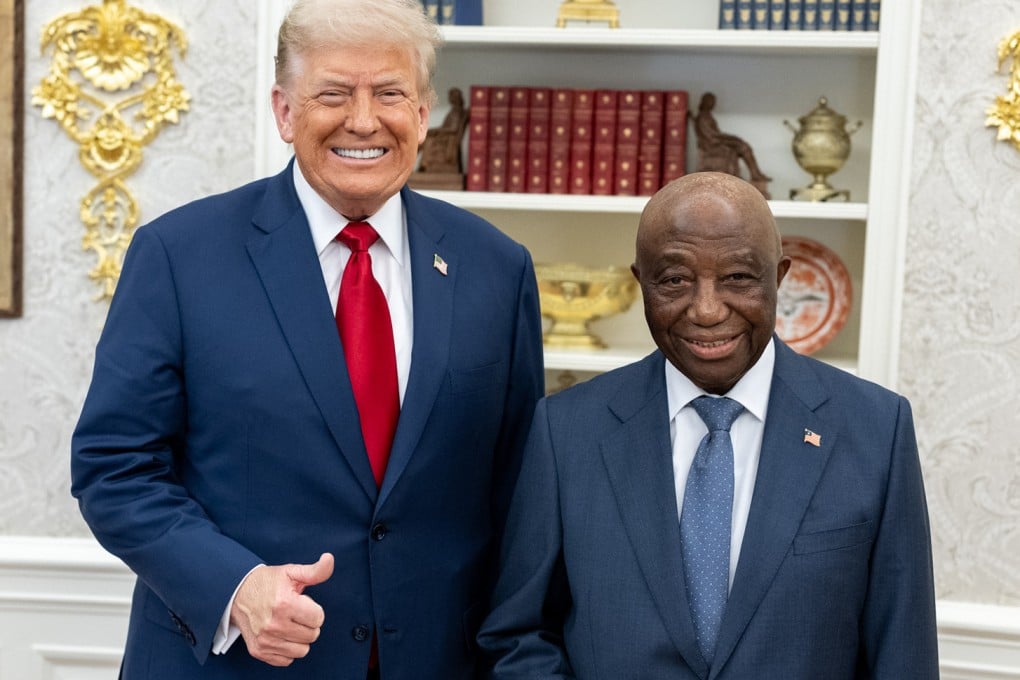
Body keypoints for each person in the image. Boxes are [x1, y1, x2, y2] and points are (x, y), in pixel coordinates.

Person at [70, 1, 544, 678]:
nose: (363, 120)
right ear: (285, 112)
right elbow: (113, 467)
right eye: (333, 94)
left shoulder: (496, 268)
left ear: (422, 111)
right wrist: (235, 587)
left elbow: (519, 492)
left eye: (389, 93)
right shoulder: (179, 256)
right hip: (231, 664)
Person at [477, 172, 939, 679]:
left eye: (738, 278)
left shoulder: (877, 430)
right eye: (674, 280)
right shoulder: (565, 432)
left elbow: (904, 655)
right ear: (641, 283)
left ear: (778, 277)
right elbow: (520, 636)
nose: (707, 310)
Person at [692, 92, 771, 198]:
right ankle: (755, 174)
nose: (712, 104)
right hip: (712, 145)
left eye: (713, 102)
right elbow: (712, 136)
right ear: (705, 102)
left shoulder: (707, 116)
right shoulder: (703, 117)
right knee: (743, 146)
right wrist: (730, 138)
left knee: (742, 145)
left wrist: (730, 138)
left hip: (716, 141)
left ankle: (755, 174)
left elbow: (716, 133)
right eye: (711, 101)